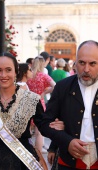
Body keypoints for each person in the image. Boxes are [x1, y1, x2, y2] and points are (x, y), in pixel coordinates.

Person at [0, 52, 63, 170]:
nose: (3, 75)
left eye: (8, 70)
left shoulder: (31, 99)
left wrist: (56, 128)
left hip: (22, 159)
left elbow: (43, 126)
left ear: (16, 71)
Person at [37, 40, 98, 169]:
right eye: (82, 63)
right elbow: (45, 123)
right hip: (68, 163)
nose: (86, 69)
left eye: (92, 64)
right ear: (75, 63)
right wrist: (67, 141)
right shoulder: (62, 87)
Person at [27, 56, 56, 154]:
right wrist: (46, 91)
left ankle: (28, 151)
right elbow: (55, 86)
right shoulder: (43, 76)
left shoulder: (29, 75)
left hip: (28, 101)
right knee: (39, 132)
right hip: (39, 102)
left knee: (27, 130)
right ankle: (38, 154)